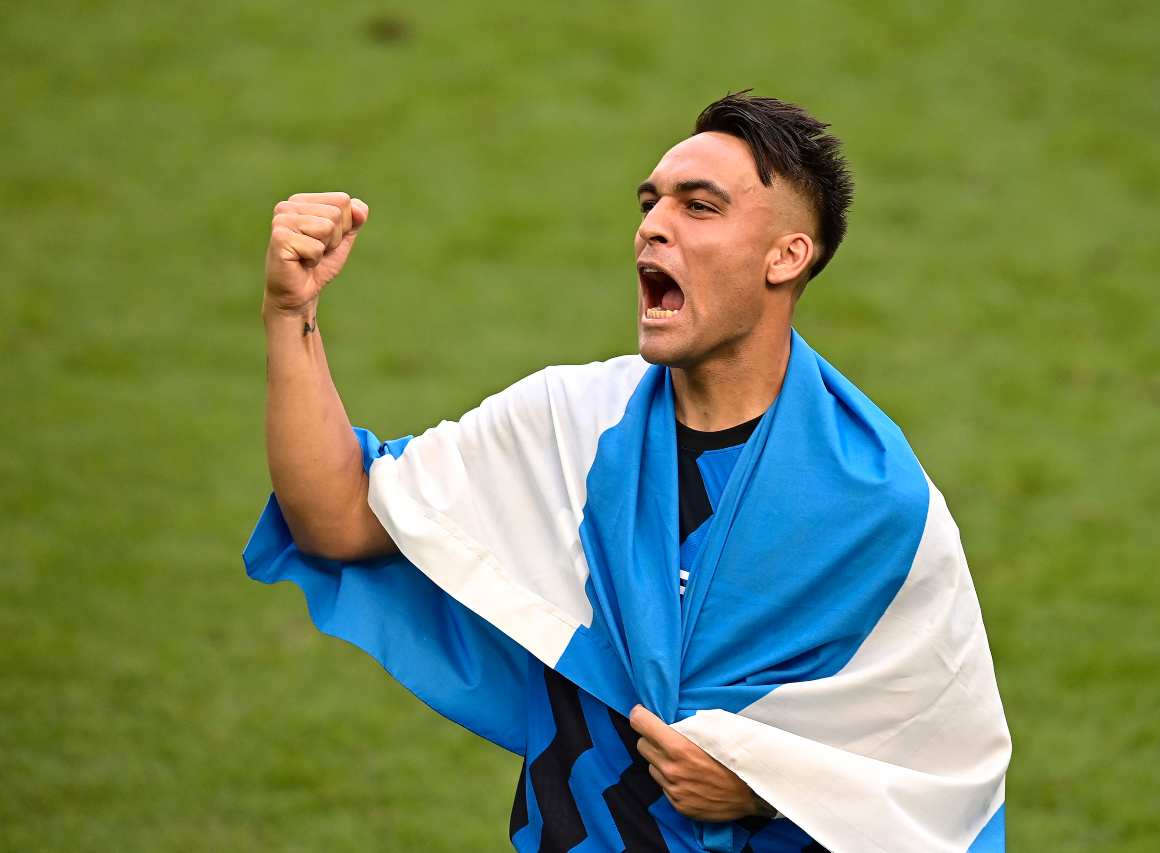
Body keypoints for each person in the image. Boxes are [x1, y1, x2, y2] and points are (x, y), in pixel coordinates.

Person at [245, 92, 1011, 852]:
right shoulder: (570, 427)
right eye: (651, 203)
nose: (653, 225)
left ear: (786, 256)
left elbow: (942, 782)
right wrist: (290, 312)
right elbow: (338, 516)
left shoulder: (878, 504)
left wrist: (762, 787)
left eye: (699, 207)